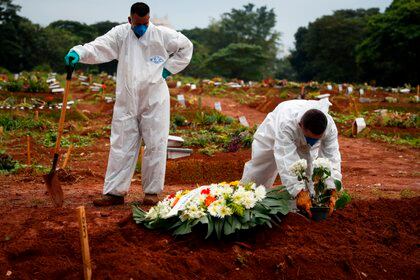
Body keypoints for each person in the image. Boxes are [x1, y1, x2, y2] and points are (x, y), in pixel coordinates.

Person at [64, 2, 193, 206]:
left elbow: (186, 47)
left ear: (149, 19)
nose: (142, 27)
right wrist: (79, 53)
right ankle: (115, 193)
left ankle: (151, 192)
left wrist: (168, 69)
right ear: (129, 20)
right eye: (137, 23)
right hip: (127, 98)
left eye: (145, 22)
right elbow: (99, 46)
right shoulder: (120, 34)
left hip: (154, 98)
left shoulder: (161, 34)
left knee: (155, 144)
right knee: (121, 144)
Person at [241, 99, 342, 217]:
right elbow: (286, 160)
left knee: (309, 168)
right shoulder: (286, 125)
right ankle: (246, 200)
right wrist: (299, 192)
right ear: (300, 126)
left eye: (316, 139)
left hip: (302, 132)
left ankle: (307, 206)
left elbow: (331, 158)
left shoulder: (329, 128)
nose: (312, 142)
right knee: (261, 168)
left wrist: (331, 188)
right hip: (273, 132)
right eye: (310, 138)